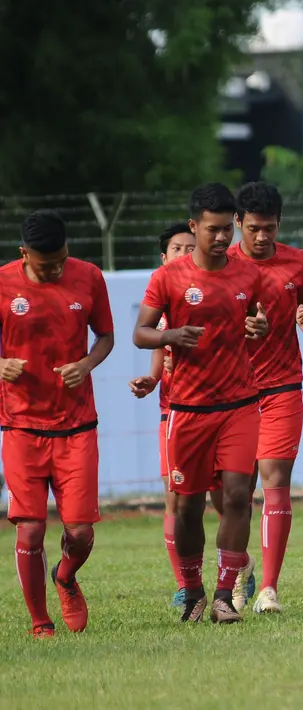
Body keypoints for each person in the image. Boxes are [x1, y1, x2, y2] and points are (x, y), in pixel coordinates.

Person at [134, 183, 269, 624]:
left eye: (226, 228)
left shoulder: (248, 274)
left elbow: (256, 321)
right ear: (194, 226)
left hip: (240, 404)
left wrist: (259, 327)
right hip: (188, 409)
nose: (221, 237)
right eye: (211, 229)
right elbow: (141, 333)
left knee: (237, 498)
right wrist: (171, 336)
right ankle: (192, 590)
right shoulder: (167, 278)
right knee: (188, 505)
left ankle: (225, 595)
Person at [1, 210, 114, 637]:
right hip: (21, 425)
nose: (55, 270)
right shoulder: (3, 282)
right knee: (29, 529)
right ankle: (39, 621)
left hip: (77, 425)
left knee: (81, 532)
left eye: (61, 260)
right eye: (45, 265)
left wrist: (85, 365)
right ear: (23, 253)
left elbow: (106, 335)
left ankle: (65, 577)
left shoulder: (89, 277)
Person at [227, 181, 303, 614]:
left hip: (283, 386)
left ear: (279, 223)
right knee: (235, 491)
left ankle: (268, 588)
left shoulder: (298, 263)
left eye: (270, 228)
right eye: (254, 229)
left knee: (275, 481)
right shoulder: (220, 266)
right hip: (233, 393)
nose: (262, 237)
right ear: (238, 224)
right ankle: (240, 568)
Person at [128, 223, 223, 607]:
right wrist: (151, 381)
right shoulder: (164, 300)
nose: (186, 253)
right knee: (177, 499)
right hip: (175, 412)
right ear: (164, 258)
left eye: (190, 247)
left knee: (223, 499)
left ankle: (240, 563)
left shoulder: (212, 293)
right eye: (177, 248)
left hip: (219, 410)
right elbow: (158, 351)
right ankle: (187, 583)